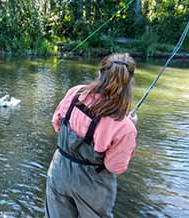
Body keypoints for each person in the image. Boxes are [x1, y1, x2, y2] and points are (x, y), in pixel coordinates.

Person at [46, 53, 137, 218]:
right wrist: (129, 126)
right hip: (93, 184)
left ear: (100, 74)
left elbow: (56, 124)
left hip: (59, 169)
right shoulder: (125, 127)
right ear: (129, 84)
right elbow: (114, 167)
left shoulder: (75, 93)